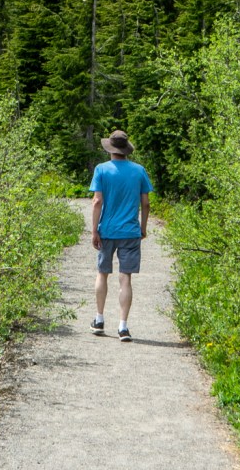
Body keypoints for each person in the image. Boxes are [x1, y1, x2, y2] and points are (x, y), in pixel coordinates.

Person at [88, 129, 153, 341]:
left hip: (107, 230)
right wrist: (142, 227)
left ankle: (99, 320)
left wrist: (94, 230)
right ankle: (123, 327)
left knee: (102, 273)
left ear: (110, 149)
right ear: (126, 150)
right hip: (130, 231)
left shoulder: (101, 169)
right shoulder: (139, 170)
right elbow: (146, 203)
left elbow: (97, 201)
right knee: (126, 278)